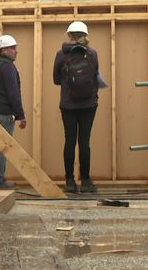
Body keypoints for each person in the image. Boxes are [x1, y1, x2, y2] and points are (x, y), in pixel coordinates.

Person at [53, 21, 99, 193]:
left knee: (70, 141)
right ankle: (86, 182)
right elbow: (95, 75)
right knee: (84, 142)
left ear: (69, 35)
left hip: (68, 104)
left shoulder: (61, 54)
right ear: (85, 35)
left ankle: (70, 182)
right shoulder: (92, 53)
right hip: (89, 104)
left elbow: (56, 79)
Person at [0, 34, 27, 189]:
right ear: (3, 50)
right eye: (13, 48)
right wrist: (21, 115)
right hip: (4, 114)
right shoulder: (7, 66)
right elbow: (13, 93)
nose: (16, 51)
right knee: (2, 147)